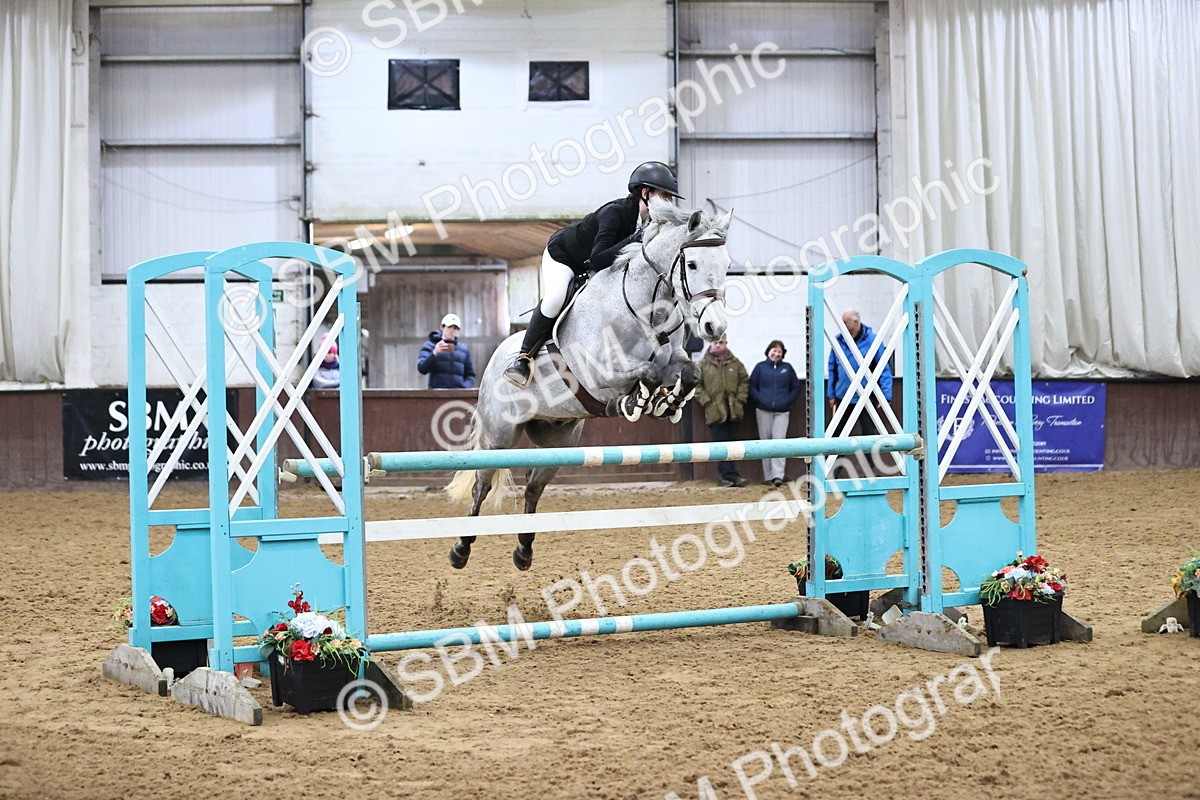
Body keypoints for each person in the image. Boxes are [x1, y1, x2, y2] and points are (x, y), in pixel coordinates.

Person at [503, 161, 684, 388]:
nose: (669, 201)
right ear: (645, 193)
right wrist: (637, 239)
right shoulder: (615, 213)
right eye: (665, 195)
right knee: (556, 297)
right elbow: (598, 259)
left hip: (595, 265)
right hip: (565, 256)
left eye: (670, 197)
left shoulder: (649, 222)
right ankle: (523, 358)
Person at [827, 309, 893, 434]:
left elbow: (883, 368)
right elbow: (832, 368)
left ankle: (869, 455)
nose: (842, 325)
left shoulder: (873, 340)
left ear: (856, 322)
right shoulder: (838, 340)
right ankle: (836, 455)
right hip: (843, 395)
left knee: (869, 434)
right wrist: (831, 394)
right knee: (836, 433)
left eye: (845, 322)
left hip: (867, 395)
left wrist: (885, 395)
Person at [696, 334, 749, 487]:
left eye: (721, 342)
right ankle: (728, 476)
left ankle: (730, 475)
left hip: (733, 410)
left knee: (732, 444)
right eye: (715, 342)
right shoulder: (702, 365)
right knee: (721, 444)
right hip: (715, 412)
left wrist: (740, 400)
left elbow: (744, 382)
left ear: (726, 343)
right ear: (710, 344)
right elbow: (697, 386)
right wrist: (707, 402)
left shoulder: (736, 363)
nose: (718, 345)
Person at [749, 339, 802, 487]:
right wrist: (760, 400)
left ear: (783, 354)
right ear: (768, 351)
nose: (776, 353)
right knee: (765, 443)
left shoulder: (787, 369)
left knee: (779, 443)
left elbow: (796, 387)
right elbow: (752, 386)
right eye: (774, 350)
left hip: (782, 411)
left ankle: (778, 476)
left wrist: (787, 401)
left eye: (779, 351)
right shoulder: (760, 368)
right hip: (762, 410)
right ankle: (768, 476)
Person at [418, 313, 476, 389]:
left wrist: (464, 387)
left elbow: (470, 375)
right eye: (449, 327)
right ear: (442, 327)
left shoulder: (464, 349)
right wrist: (434, 353)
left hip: (459, 394)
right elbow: (422, 369)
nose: (452, 331)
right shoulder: (430, 346)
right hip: (437, 394)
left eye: (455, 328)